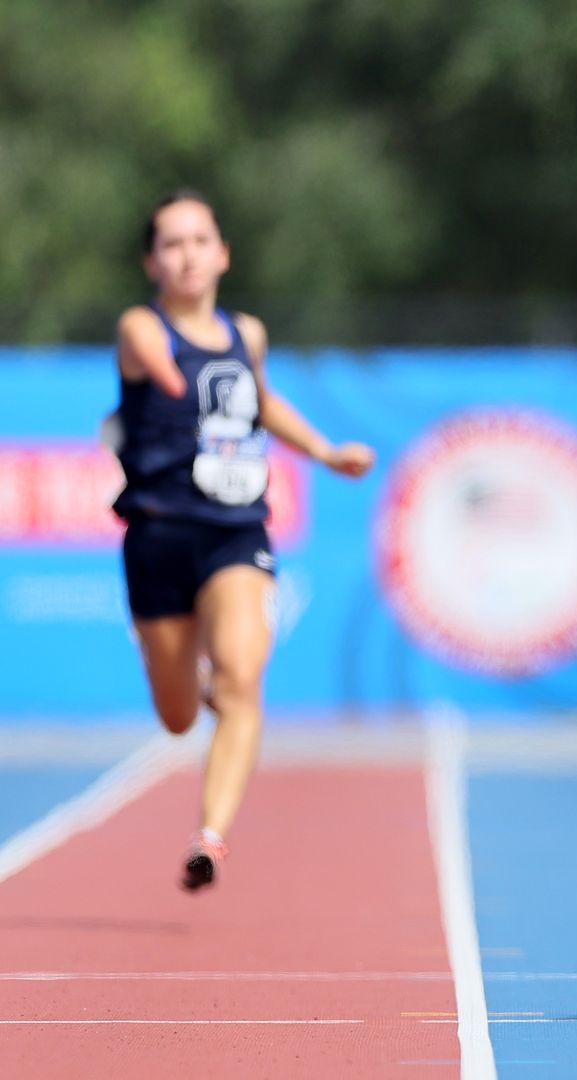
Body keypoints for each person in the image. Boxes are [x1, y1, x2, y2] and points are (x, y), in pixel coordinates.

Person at [111, 190, 375, 891]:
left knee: (242, 678)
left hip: (235, 530)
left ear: (223, 253)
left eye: (200, 240)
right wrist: (167, 371)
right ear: (152, 261)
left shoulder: (245, 335)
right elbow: (147, 349)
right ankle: (188, 678)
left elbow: (258, 397)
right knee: (175, 717)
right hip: (159, 534)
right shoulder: (141, 326)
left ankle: (210, 837)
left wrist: (323, 451)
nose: (188, 254)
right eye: (172, 243)